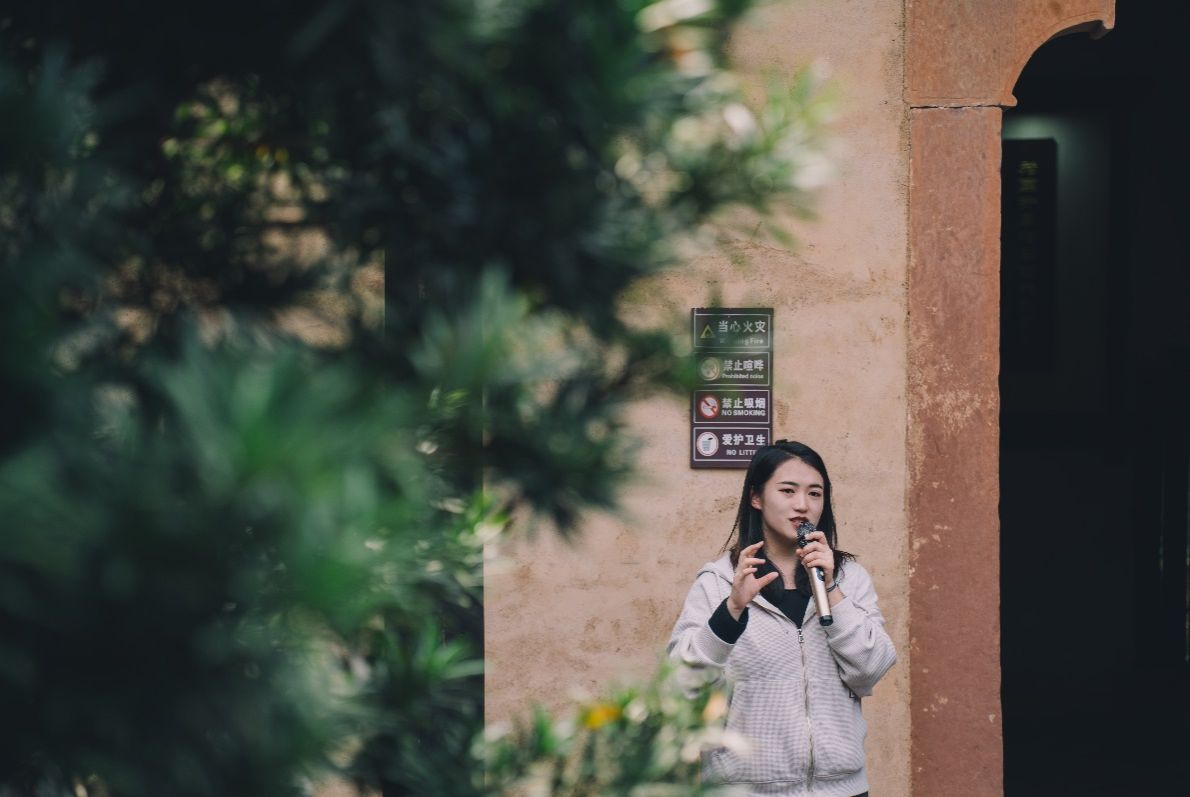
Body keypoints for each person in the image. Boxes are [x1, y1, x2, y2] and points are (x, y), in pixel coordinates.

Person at [667, 439, 896, 797]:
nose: (803, 505)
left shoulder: (848, 578)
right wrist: (731, 611)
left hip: (841, 789)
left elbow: (870, 670)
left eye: (815, 493)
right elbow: (683, 683)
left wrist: (832, 590)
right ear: (756, 497)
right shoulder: (719, 581)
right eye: (788, 491)